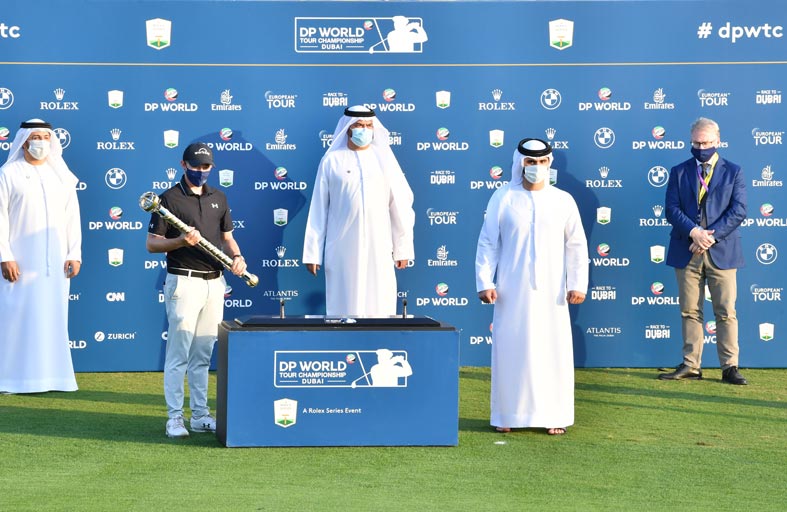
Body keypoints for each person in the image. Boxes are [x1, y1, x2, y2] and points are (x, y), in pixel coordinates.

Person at [475, 138, 588, 435]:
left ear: (549, 163)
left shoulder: (563, 200)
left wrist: (577, 284)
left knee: (553, 350)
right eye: (530, 162)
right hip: (511, 290)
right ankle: (507, 415)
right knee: (511, 350)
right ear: (519, 163)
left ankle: (554, 415)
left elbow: (576, 245)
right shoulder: (503, 197)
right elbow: (488, 242)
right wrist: (485, 281)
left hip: (553, 292)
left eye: (541, 162)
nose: (536, 167)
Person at [146, 142, 248, 437]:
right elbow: (152, 243)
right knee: (178, 354)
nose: (201, 171)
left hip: (215, 282)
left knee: (203, 353)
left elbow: (227, 238)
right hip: (184, 281)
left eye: (206, 167)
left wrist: (237, 257)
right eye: (195, 166)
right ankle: (175, 417)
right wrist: (180, 241)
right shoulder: (168, 199)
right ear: (183, 165)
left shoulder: (219, 197)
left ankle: (200, 416)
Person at [659, 118, 748, 385]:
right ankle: (691, 365)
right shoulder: (679, 171)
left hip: (722, 251)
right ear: (691, 141)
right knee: (689, 311)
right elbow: (671, 209)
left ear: (717, 141)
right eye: (696, 143)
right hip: (686, 249)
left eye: (706, 143)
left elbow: (739, 210)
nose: (701, 148)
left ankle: (729, 367)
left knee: (726, 311)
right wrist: (694, 232)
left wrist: (708, 237)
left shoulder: (734, 172)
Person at [303, 106, 415, 317]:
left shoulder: (384, 160)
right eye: (359, 125)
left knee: (379, 305)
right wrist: (312, 253)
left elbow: (400, 205)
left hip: (379, 246)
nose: (364, 130)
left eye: (368, 125)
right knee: (344, 306)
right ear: (347, 128)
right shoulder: (331, 161)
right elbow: (319, 208)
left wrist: (403, 248)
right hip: (342, 246)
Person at [0, 119, 82, 394]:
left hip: (55, 264)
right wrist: (5, 256)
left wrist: (74, 253)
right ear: (24, 142)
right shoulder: (8, 174)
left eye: (46, 137)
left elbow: (72, 218)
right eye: (36, 137)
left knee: (52, 318)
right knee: (16, 319)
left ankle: (54, 379)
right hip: (19, 262)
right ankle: (10, 380)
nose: (41, 142)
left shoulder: (62, 176)